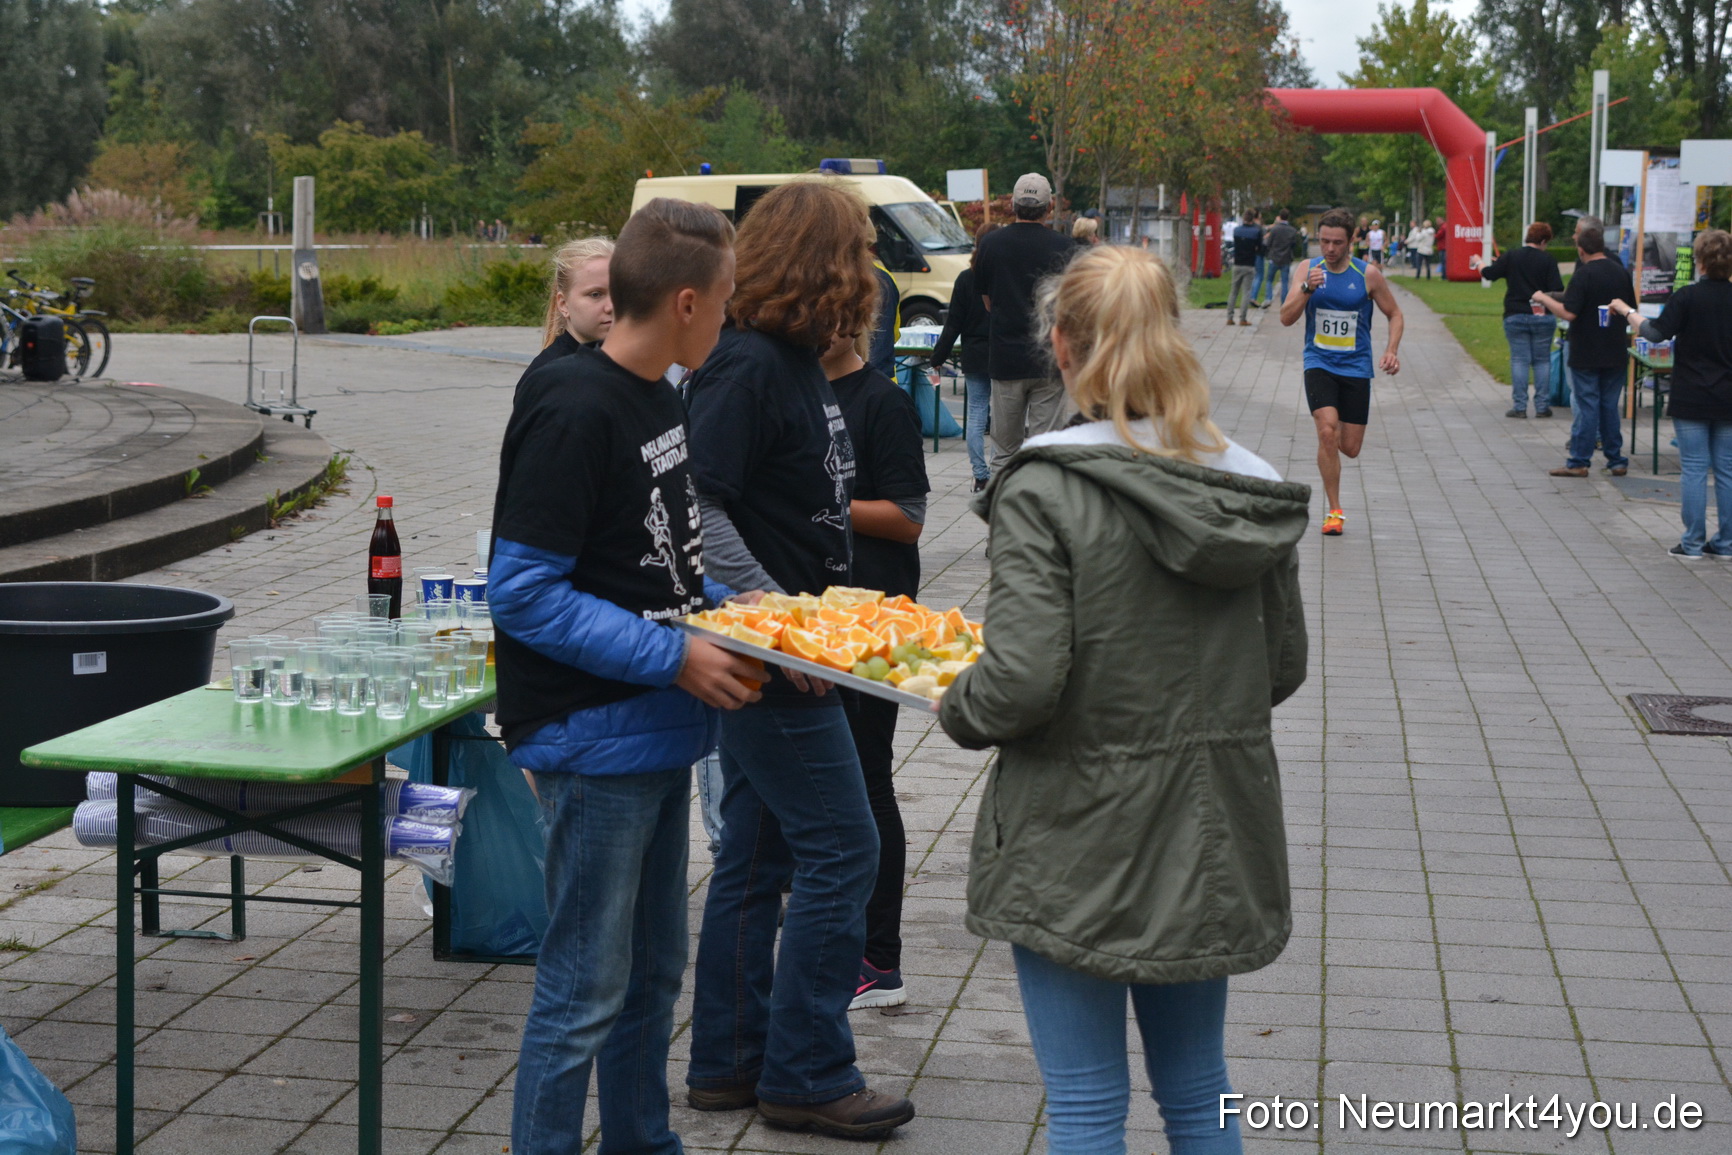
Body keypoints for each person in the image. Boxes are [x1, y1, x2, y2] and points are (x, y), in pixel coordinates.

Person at [938, 243, 1309, 1155]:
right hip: (1212, 823)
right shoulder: (1246, 482)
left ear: (1061, 346)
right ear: (1171, 337)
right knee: (1199, 1087)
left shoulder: (1045, 485)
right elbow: (1281, 665)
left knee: (1086, 1105)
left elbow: (1020, 680)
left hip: (1076, 831)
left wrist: (954, 701)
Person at [492, 198, 765, 1155]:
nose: (731, 315)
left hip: (653, 731)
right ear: (686, 302)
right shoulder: (574, 407)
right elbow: (522, 592)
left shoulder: (659, 394)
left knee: (651, 976)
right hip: (592, 737)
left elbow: (655, 565)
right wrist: (678, 654)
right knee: (583, 989)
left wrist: (744, 614)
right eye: (726, 298)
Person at [684, 179, 916, 1141]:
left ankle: (730, 1061)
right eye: (858, 253)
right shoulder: (746, 366)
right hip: (774, 659)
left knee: (756, 851)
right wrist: (776, 625)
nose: (868, 271)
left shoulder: (788, 359)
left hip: (792, 650)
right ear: (822, 263)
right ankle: (809, 1071)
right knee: (845, 848)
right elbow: (697, 507)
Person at [819, 328, 930, 1011]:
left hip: (876, 618)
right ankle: (835, 932)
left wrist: (818, 506)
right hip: (813, 616)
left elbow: (908, 517)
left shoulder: (883, 402)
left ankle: (879, 959)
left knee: (867, 781)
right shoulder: (795, 392)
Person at [1279, 206, 1404, 537]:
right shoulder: (1307, 269)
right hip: (1318, 363)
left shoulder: (1367, 275)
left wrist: (1391, 349)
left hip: (1356, 367)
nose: (1330, 249)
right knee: (1326, 430)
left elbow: (1395, 314)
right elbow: (1286, 317)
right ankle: (1334, 511)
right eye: (1324, 241)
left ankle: (1332, 453)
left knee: (1349, 447)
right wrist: (1306, 289)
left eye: (1337, 242)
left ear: (1351, 242)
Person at [1611, 229, 1732, 557]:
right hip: (1728, 395)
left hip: (1692, 393)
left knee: (1693, 468)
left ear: (1700, 261)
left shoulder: (1687, 297)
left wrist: (1627, 310)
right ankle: (1726, 543)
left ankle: (1692, 542)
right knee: (1727, 470)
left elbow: (1654, 334)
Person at [974, 173, 1078, 468]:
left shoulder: (991, 244)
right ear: (1049, 207)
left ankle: (1003, 498)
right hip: (1049, 358)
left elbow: (987, 301)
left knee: (1004, 452)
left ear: (1013, 205)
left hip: (1005, 358)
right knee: (1045, 453)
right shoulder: (1066, 247)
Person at [1533, 216, 1635, 478]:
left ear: (1581, 249)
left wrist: (1544, 298)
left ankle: (1579, 461)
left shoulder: (1584, 274)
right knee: (1609, 406)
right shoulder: (1620, 271)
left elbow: (1569, 312)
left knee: (1587, 405)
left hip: (1586, 350)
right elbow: (1629, 309)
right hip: (1614, 348)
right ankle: (1616, 459)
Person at [931, 223, 996, 491]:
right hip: (1003, 353)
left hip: (974, 354)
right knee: (1004, 417)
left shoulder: (966, 278)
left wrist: (938, 356)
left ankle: (980, 475)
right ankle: (1000, 471)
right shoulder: (1004, 277)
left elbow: (953, 324)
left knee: (976, 414)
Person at [1479, 222, 1565, 418]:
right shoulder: (1548, 260)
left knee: (1519, 360)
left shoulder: (1511, 256)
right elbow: (1557, 289)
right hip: (1542, 315)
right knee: (1542, 361)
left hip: (1515, 314)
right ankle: (1542, 406)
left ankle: (1519, 406)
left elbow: (1489, 274)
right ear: (1543, 241)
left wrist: (1479, 262)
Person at [522, 237, 614, 384]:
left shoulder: (627, 364)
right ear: (563, 304)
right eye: (595, 295)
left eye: (619, 293)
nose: (611, 306)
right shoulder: (552, 378)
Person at [1225, 209, 1262, 327]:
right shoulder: (1256, 232)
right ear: (1253, 219)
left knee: (1234, 291)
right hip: (1249, 264)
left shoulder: (1236, 230)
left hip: (1237, 264)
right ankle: (1243, 318)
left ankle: (1229, 317)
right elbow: (1260, 248)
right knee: (1246, 292)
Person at [1257, 210, 1299, 308]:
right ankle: (1284, 302)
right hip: (1286, 258)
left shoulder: (1274, 229)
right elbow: (1294, 244)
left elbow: (1268, 243)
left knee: (1269, 280)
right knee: (1285, 281)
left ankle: (1268, 298)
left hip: (1274, 257)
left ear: (1280, 216)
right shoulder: (1292, 230)